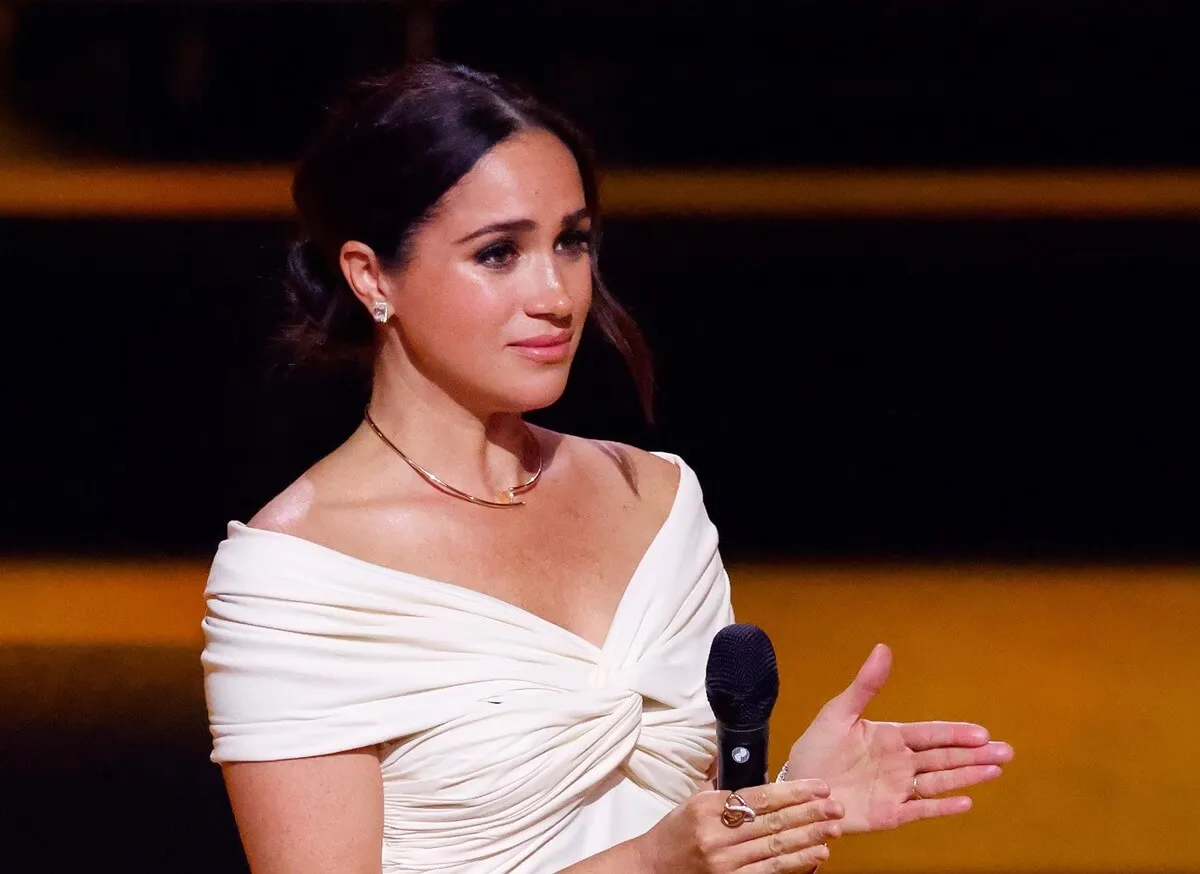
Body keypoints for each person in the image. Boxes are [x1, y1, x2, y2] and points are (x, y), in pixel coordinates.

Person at [201, 60, 1013, 874]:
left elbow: (693, 834)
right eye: (497, 254)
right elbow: (659, 856)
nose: (556, 294)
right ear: (372, 276)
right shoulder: (297, 576)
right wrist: (649, 865)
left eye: (571, 242)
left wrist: (789, 801)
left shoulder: (657, 500)